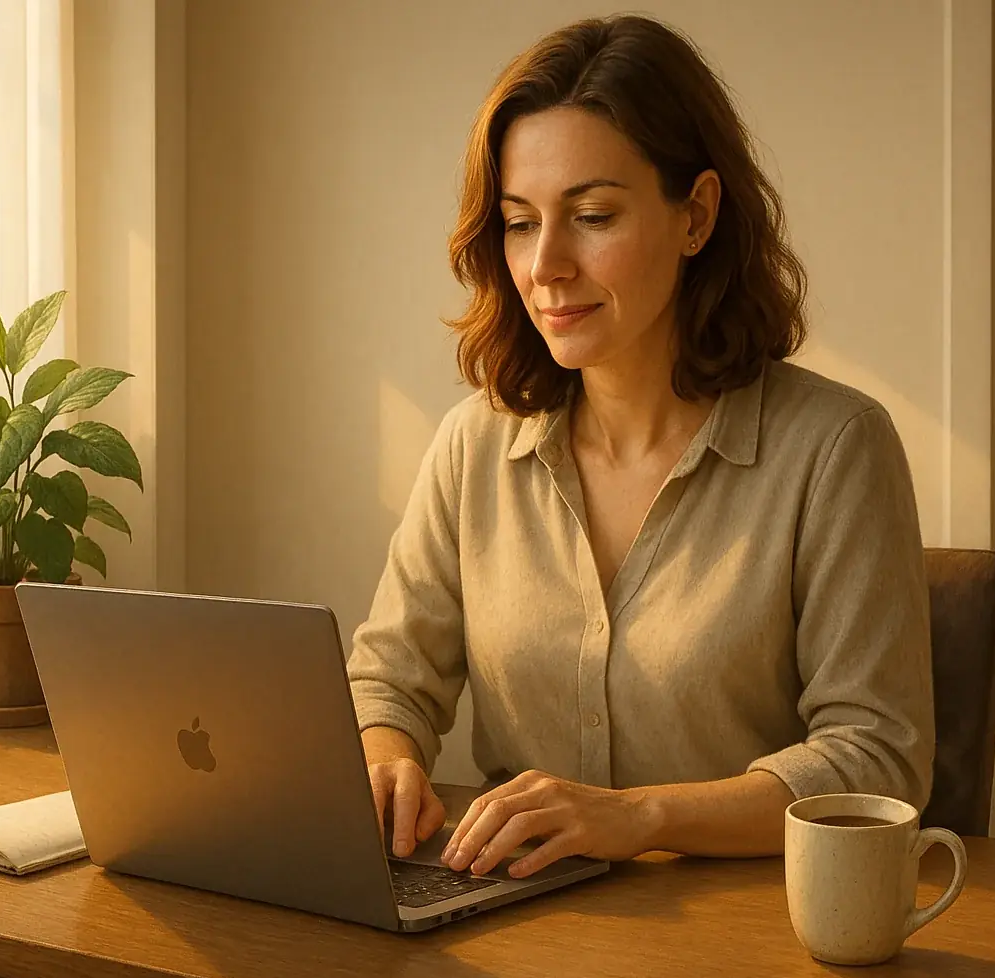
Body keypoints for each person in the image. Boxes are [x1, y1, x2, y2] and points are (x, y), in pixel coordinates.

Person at [347, 13, 934, 883]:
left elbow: (879, 758)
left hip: (751, 947)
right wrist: (385, 760)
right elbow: (390, 679)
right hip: (511, 929)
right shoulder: (473, 444)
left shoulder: (836, 448)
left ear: (695, 215)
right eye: (518, 222)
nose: (546, 263)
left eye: (590, 215)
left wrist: (638, 817)